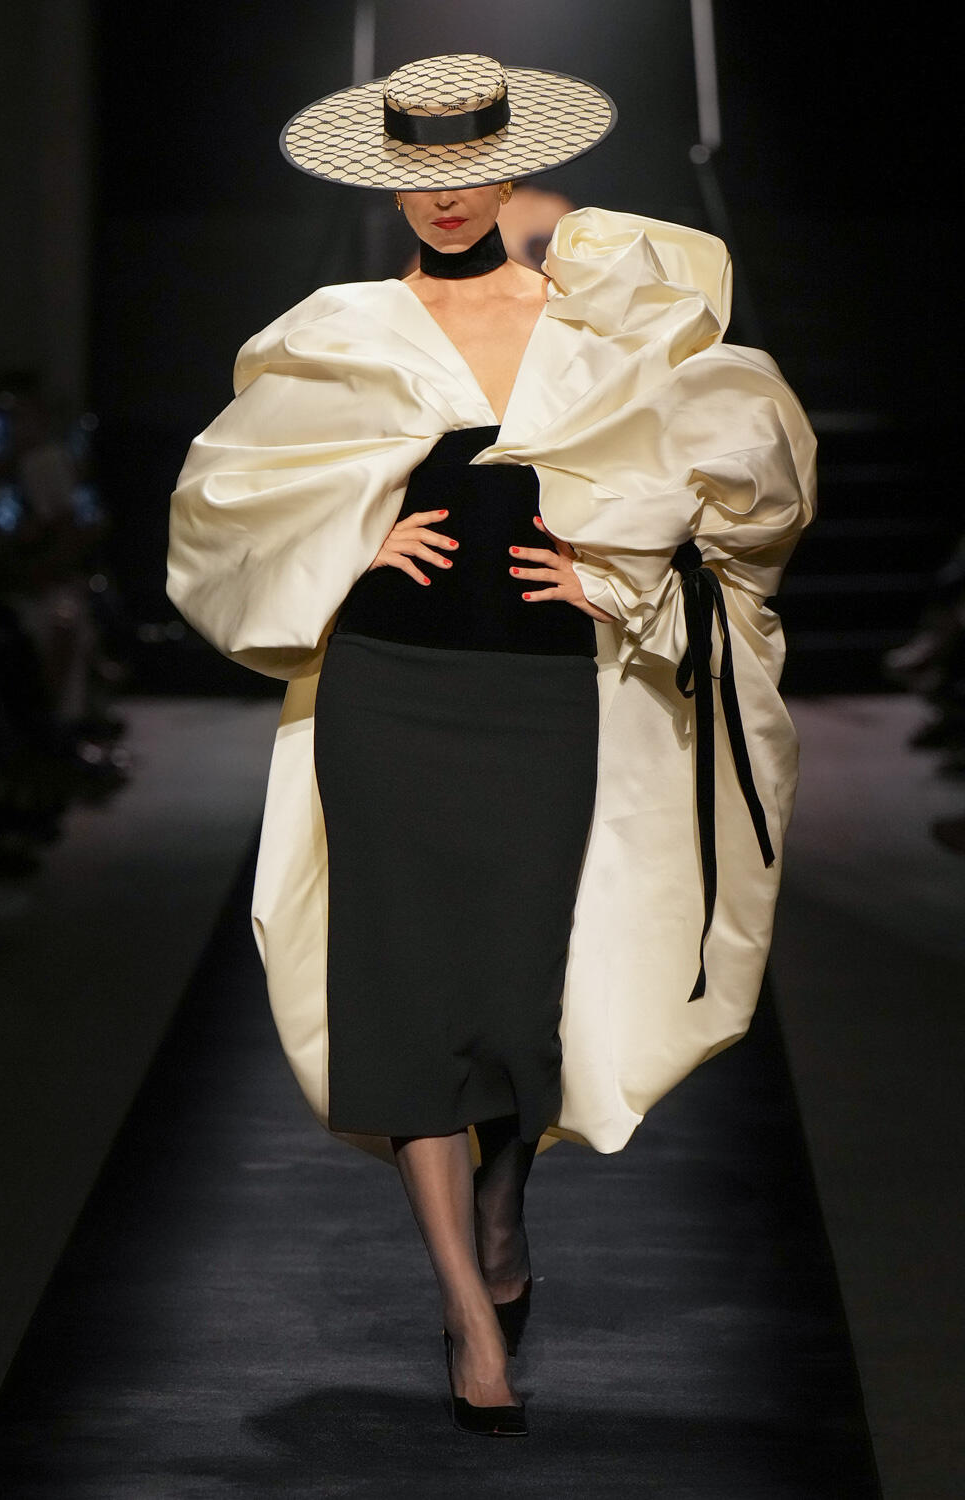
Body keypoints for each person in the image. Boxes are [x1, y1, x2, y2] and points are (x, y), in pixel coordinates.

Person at [168, 53, 816, 1437]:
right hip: (387, 691)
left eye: (468, 166)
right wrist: (346, 548)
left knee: (527, 1000)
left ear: (512, 164)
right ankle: (470, 1313)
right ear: (388, 181)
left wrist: (617, 577)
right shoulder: (340, 329)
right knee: (405, 993)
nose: (447, 195)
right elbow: (224, 502)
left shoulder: (599, 321)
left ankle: (506, 1216)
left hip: (544, 698)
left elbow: (737, 476)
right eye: (419, 172)